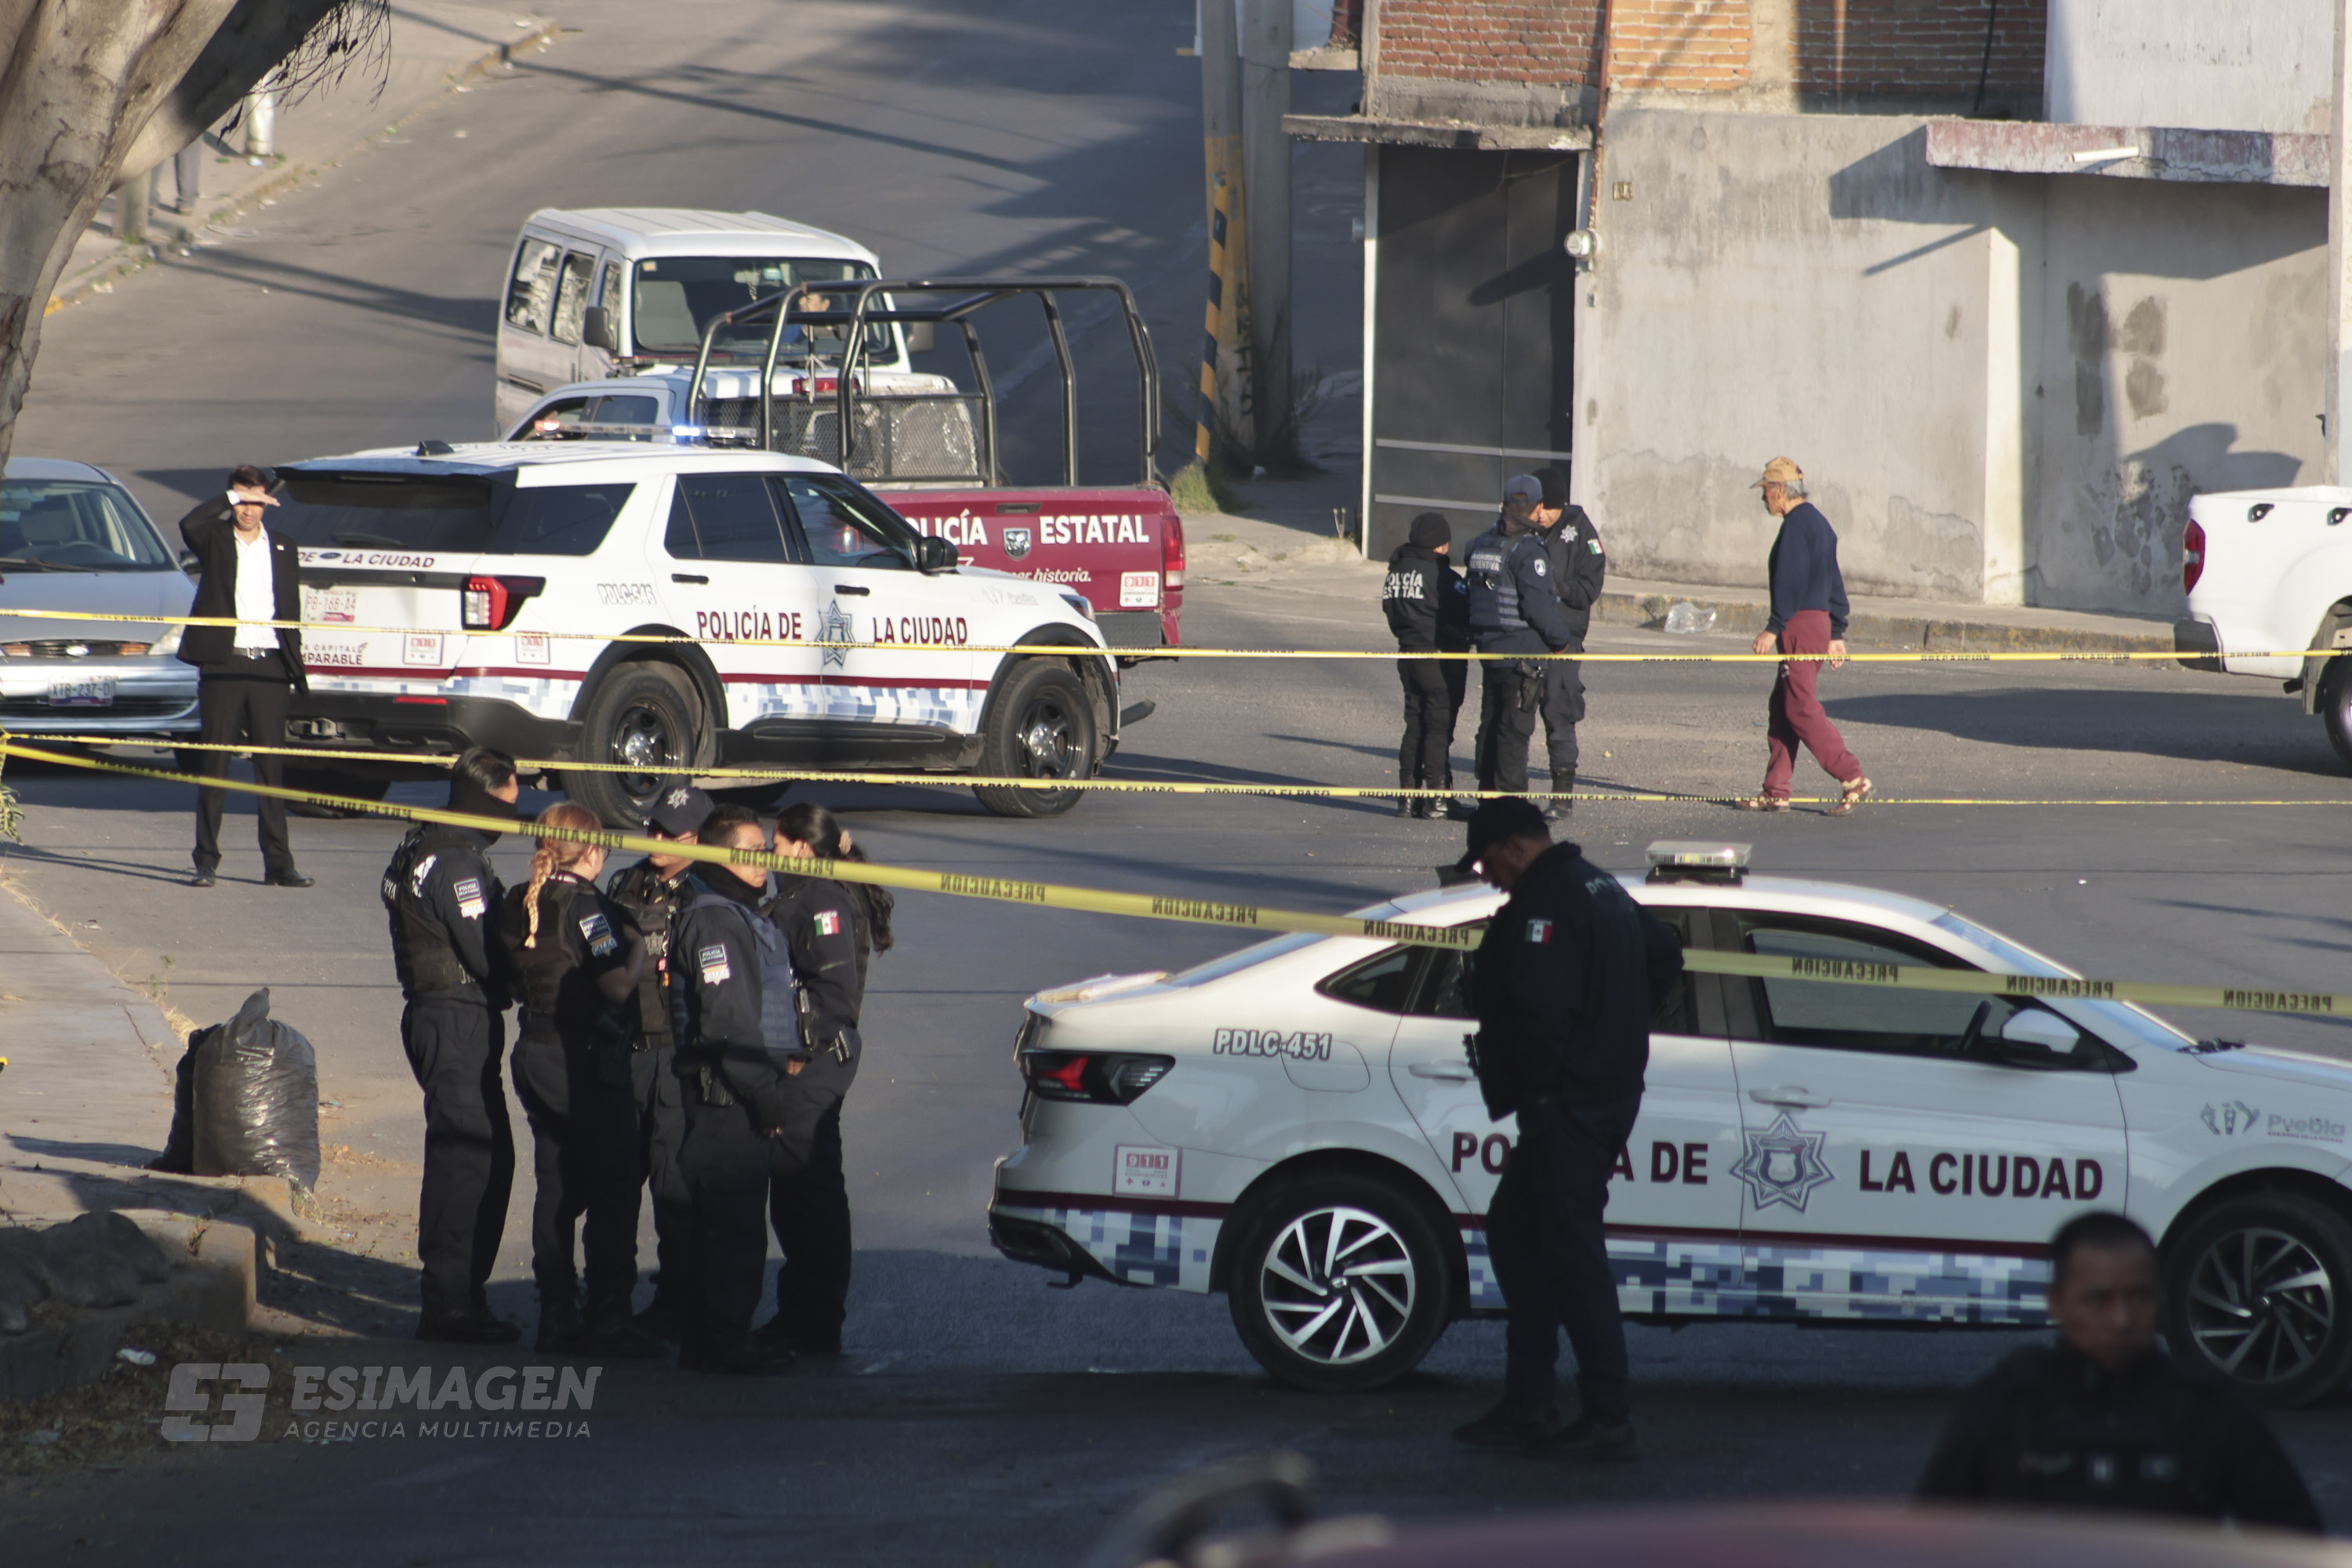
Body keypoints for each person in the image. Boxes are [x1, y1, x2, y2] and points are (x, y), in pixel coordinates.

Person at [1450, 797, 1683, 1460]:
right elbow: (1664, 958)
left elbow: (1540, 1008)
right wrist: (1616, 1035)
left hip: (1569, 1107)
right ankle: (1529, 1402)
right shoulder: (1601, 887)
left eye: (1487, 863)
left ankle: (1608, 1414)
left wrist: (1558, 1077)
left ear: (1514, 848)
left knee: (1573, 1256)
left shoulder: (1545, 902)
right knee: (1518, 1233)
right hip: (1593, 1099)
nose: (1488, 876)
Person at [1918, 1212, 2321, 1531]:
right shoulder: (2008, 1403)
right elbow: (1927, 1537)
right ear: (2057, 1304)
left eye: (2139, 1297)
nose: (2121, 1318)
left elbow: (2294, 1541)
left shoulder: (2209, 1408)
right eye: (2099, 1300)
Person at [498, 802, 667, 1359]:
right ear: (591, 851)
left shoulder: (519, 901)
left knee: (555, 1182)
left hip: (533, 1051)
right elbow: (617, 985)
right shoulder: (589, 908)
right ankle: (608, 1313)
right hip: (584, 1059)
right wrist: (641, 944)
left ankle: (556, 1310)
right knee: (615, 1187)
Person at [382, 747, 522, 1343]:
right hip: (455, 1016)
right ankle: (449, 1304)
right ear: (485, 800)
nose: (512, 820)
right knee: (466, 1162)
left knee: (485, 1158)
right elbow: (486, 953)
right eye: (509, 808)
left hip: (441, 1016)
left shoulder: (422, 844)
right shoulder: (457, 863)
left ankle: (462, 1293)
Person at [753, 802, 895, 1356]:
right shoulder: (802, 893)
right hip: (806, 1060)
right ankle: (806, 1313)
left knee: (808, 1194)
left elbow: (832, 995)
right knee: (797, 1193)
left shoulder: (822, 900)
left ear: (801, 848)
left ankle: (813, 1319)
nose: (767, 852)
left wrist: (797, 1051)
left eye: (776, 843)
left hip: (813, 1063)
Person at [667, 805, 801, 1374]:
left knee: (727, 1227)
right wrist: (762, 1094)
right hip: (728, 1102)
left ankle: (711, 1339)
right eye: (748, 849)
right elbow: (726, 1023)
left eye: (763, 849)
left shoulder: (739, 914)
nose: (761, 860)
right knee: (732, 1230)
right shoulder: (716, 922)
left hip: (737, 1095)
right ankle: (720, 1342)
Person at [601, 781, 714, 1341]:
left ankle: (678, 1299)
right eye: (652, 828)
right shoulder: (628, 883)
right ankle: (610, 1301)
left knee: (673, 1182)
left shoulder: (706, 895)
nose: (655, 838)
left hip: (675, 1053)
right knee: (619, 1181)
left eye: (669, 833)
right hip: (627, 1049)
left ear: (698, 838)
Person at [176, 465, 311, 888]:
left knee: (271, 767)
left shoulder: (285, 547)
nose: (248, 509)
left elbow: (290, 608)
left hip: (270, 663)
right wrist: (228, 499)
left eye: (255, 500)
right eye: (241, 500)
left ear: (268, 501)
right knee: (215, 763)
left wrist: (295, 661)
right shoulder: (215, 539)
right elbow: (190, 522)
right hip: (224, 661)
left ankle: (278, 864)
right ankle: (206, 860)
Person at [1738, 457, 1871, 815]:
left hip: (1799, 624)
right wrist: (1836, 630)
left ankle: (1851, 775)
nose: (1763, 499)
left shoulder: (1796, 527)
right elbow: (1833, 579)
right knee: (1783, 706)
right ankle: (1775, 789)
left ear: (1780, 490)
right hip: (1816, 623)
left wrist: (1774, 626)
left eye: (1765, 491)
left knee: (1799, 706)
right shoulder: (1818, 523)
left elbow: (1790, 581)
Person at [1464, 475, 1580, 817]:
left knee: (1490, 723)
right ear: (1538, 507)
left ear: (1504, 506)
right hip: (1522, 656)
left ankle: (1487, 797)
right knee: (1513, 729)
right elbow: (1538, 608)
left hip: (1490, 651)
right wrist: (1560, 643)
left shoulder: (1481, 544)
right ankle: (1510, 805)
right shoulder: (1529, 551)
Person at [1381, 511, 1471, 820]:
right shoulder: (1442, 577)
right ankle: (1438, 800)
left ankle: (1407, 798)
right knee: (1438, 727)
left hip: (1407, 654)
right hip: (1439, 658)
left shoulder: (1396, 571)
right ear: (1441, 545)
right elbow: (1465, 614)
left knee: (1415, 724)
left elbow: (1390, 612)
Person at [1531, 470, 1606, 817]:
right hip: (1524, 638)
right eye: (1537, 506)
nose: (1541, 514)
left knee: (1559, 713)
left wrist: (1556, 589)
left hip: (1564, 639)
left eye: (1549, 507)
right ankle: (1505, 796)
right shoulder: (1523, 526)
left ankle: (1562, 796)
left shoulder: (1579, 530)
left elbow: (1589, 587)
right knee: (1511, 716)